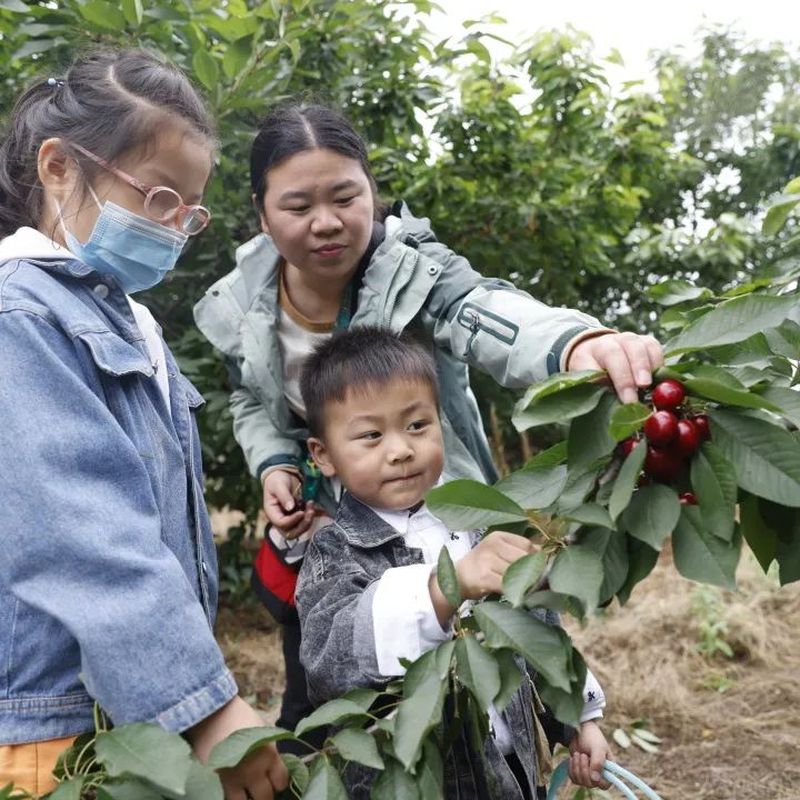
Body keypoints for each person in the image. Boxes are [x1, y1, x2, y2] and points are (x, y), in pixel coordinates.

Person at [193, 101, 663, 739]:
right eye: (298, 207)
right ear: (262, 212)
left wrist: (574, 346)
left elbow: (483, 311)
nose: (327, 223)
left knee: (483, 691)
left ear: (373, 191)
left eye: (345, 196)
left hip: (440, 517)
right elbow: (249, 398)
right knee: (336, 707)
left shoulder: (413, 268)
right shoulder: (242, 304)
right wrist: (275, 462)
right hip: (335, 536)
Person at [0, 49, 287, 800]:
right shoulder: (20, 315)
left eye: (188, 210)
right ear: (59, 167)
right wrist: (205, 703)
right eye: (159, 197)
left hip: (125, 720)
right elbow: (83, 530)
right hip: (55, 734)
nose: (173, 227)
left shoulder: (132, 323)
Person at [295, 326, 610, 799]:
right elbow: (329, 661)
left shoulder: (478, 520)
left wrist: (579, 718)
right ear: (323, 455)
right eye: (371, 435)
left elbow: (538, 630)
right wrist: (445, 588)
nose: (400, 449)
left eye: (417, 425)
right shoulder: (334, 551)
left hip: (511, 772)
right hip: (414, 784)